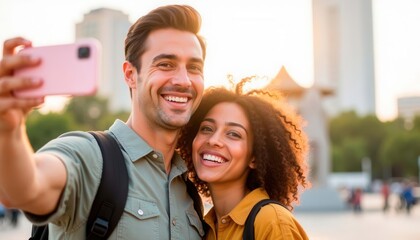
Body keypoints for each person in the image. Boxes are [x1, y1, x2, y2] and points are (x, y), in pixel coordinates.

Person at [0, 4, 206, 239]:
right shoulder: (90, 156)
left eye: (194, 67)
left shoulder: (189, 188)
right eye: (165, 64)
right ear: (130, 74)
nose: (183, 80)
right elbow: (26, 188)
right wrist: (9, 130)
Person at [177, 77, 310, 240]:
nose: (213, 140)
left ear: (254, 158)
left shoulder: (272, 223)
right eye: (207, 128)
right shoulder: (206, 229)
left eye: (233, 134)